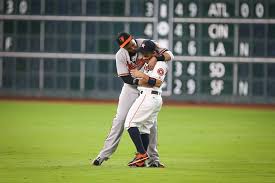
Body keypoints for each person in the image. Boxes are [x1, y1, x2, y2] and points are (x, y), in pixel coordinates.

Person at [92, 32, 174, 167]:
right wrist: (140, 80)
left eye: (130, 43)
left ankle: (153, 159)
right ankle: (104, 154)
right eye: (126, 46)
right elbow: (125, 78)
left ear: (132, 38)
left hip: (148, 90)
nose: (131, 46)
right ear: (122, 47)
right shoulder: (120, 55)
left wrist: (156, 58)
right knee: (120, 119)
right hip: (131, 88)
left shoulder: (145, 44)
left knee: (151, 124)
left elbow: (170, 55)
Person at [125, 40, 171, 167]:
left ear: (154, 53)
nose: (144, 56)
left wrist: (141, 75)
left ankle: (141, 154)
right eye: (143, 54)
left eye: (146, 54)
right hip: (152, 98)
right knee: (144, 129)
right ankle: (141, 161)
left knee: (129, 123)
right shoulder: (148, 61)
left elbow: (157, 83)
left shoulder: (160, 64)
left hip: (149, 96)